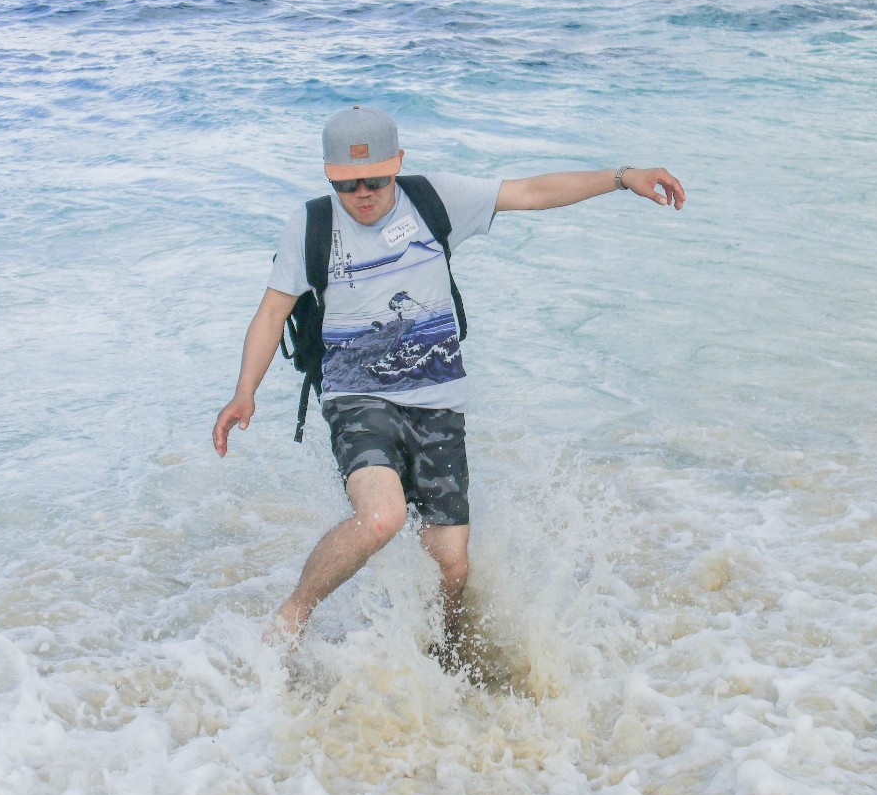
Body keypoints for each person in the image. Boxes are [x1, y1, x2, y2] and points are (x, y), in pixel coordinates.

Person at [212, 106, 685, 653]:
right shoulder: (311, 225)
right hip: (357, 396)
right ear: (327, 175)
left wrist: (622, 177)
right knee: (382, 517)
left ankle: (443, 655)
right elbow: (273, 312)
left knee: (453, 566)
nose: (363, 193)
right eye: (346, 184)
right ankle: (292, 617)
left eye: (376, 179)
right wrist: (243, 392)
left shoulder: (434, 199)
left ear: (400, 164)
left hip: (439, 403)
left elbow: (531, 191)